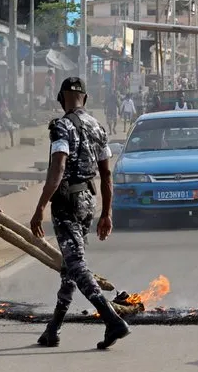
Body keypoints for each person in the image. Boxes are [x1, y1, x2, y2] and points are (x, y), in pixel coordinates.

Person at [30, 77, 131, 350]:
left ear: (61, 98)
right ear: (85, 98)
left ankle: (112, 319)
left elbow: (58, 167)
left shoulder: (61, 126)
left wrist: (40, 207)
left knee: (75, 265)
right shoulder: (98, 127)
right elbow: (107, 173)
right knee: (70, 266)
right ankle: (53, 329)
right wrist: (106, 213)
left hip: (66, 201)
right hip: (88, 200)